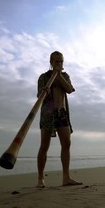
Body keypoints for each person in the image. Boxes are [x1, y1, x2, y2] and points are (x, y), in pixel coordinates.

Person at [37, 51, 82, 188]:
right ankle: (40, 179)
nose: (59, 64)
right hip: (48, 112)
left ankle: (66, 177)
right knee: (45, 145)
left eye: (61, 61)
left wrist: (59, 75)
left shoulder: (65, 76)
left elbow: (69, 89)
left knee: (66, 143)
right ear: (51, 62)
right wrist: (45, 90)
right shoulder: (44, 77)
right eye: (56, 61)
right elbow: (39, 96)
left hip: (61, 112)